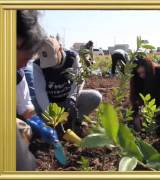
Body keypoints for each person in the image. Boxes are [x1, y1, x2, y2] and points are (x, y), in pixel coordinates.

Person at [16, 10, 61, 170]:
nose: (25, 65)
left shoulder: (17, 75)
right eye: (26, 58)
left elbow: (26, 109)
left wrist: (42, 127)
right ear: (16, 42)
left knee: (23, 130)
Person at [33, 37, 102, 135]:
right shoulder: (37, 65)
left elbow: (78, 80)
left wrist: (72, 98)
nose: (51, 66)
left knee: (95, 97)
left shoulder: (72, 58)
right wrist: (53, 116)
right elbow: (40, 92)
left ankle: (74, 123)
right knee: (33, 103)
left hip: (67, 101)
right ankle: (50, 127)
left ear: (60, 50)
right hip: (50, 104)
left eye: (52, 60)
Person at [130, 57, 160, 134]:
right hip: (152, 102)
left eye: (143, 72)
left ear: (149, 70)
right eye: (139, 73)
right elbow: (136, 97)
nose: (141, 76)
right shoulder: (137, 79)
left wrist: (154, 113)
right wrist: (136, 115)